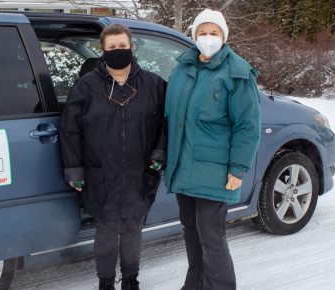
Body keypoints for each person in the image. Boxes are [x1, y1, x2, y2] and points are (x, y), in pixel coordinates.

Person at [59, 24, 167, 290]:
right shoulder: (86, 86)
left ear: (130, 46)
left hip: (140, 172)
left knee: (132, 229)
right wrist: (73, 167)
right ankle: (105, 283)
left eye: (122, 46)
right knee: (106, 230)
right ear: (102, 50)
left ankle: (131, 280)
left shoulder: (154, 85)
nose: (118, 51)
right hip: (100, 173)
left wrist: (160, 151)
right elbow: (70, 130)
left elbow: (168, 123)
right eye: (112, 47)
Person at [164, 9, 261, 290]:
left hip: (215, 171)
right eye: (202, 32)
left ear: (224, 36)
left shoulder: (236, 72)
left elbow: (248, 126)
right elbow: (173, 117)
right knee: (192, 233)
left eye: (214, 33)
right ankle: (194, 284)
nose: (208, 38)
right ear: (194, 36)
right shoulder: (182, 67)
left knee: (211, 237)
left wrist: (238, 168)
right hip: (184, 167)